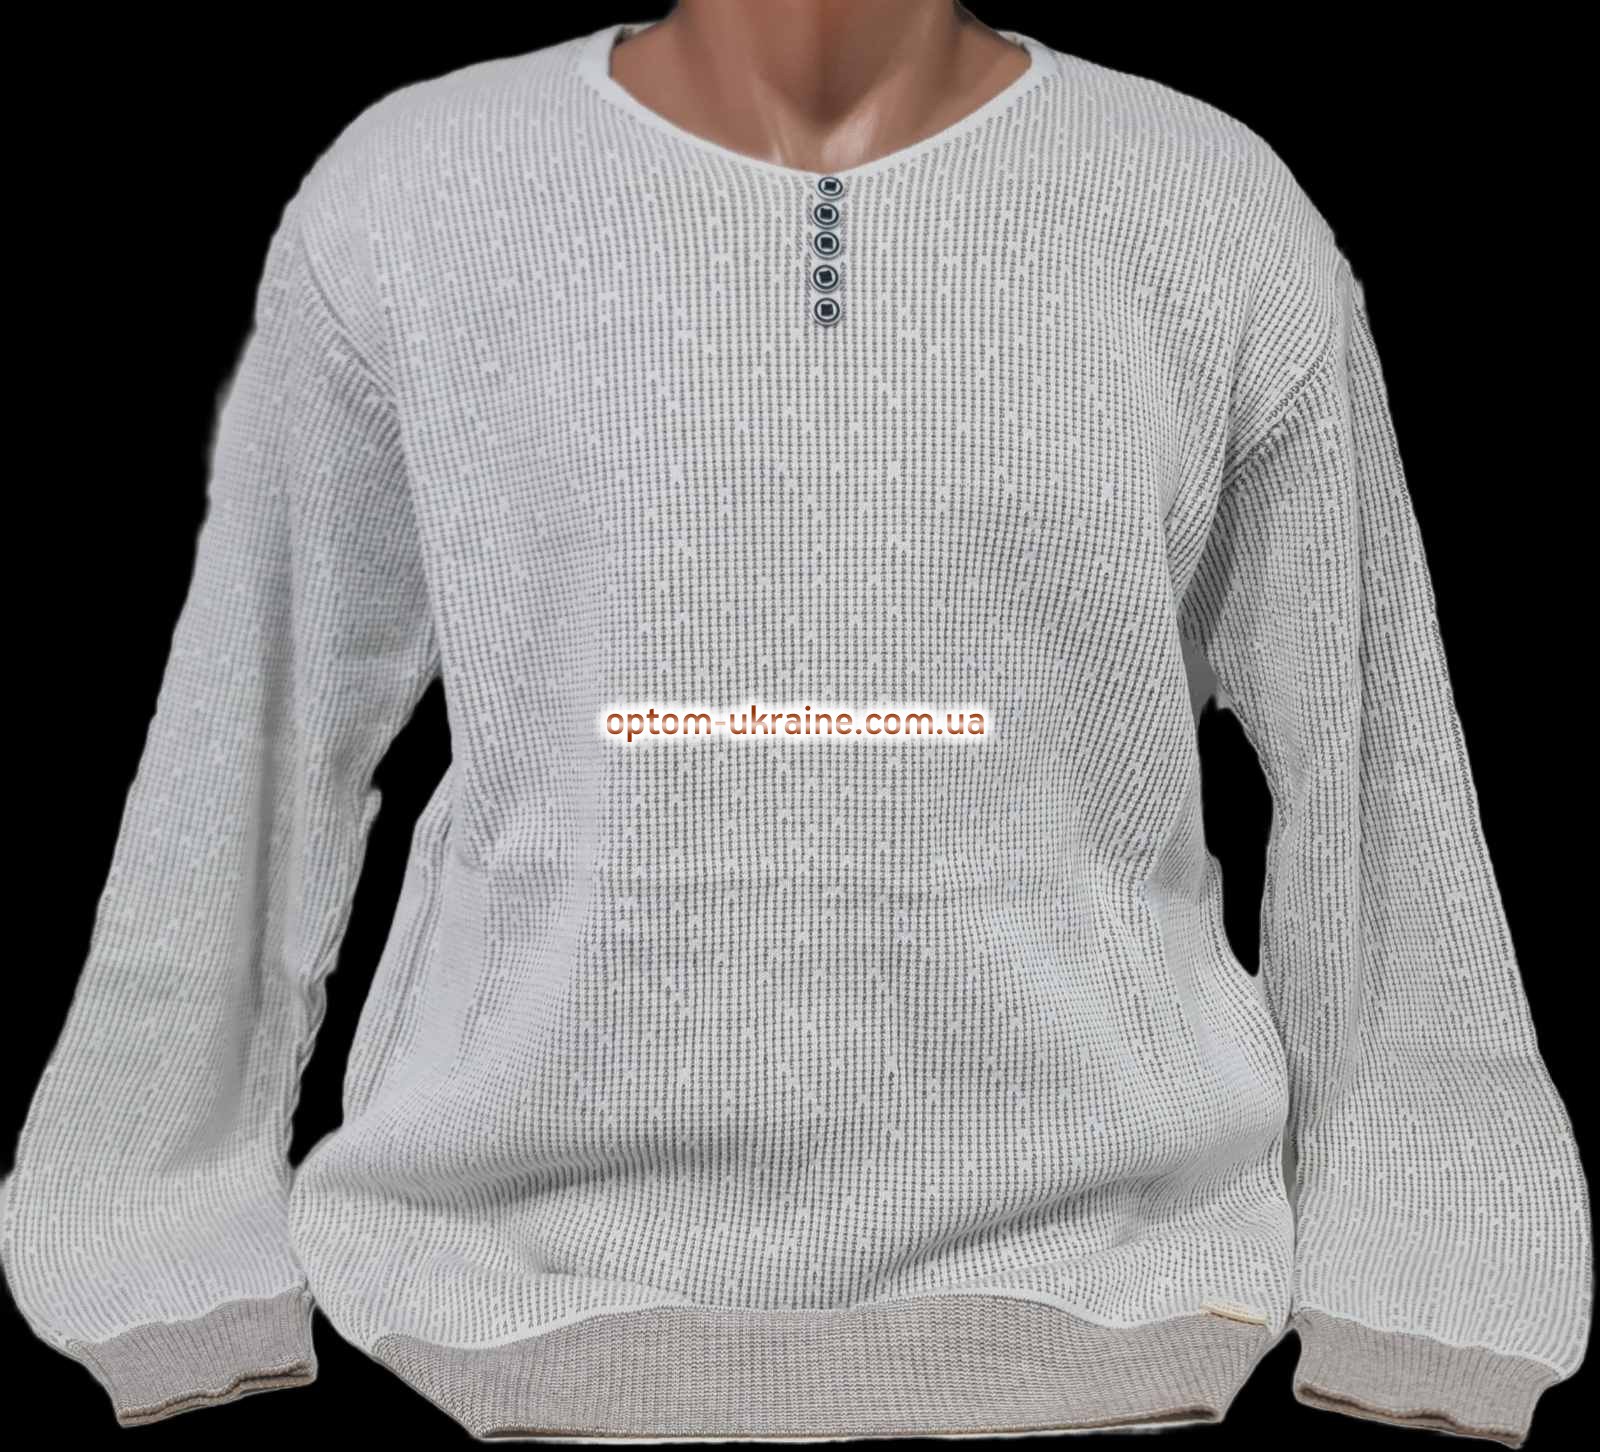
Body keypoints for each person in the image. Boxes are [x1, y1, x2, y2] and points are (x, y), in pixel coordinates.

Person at [1, 1, 1589, 1443]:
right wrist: (158, 1260)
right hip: (479, 1293)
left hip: (1124, 1289)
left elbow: (1374, 781)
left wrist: (1432, 1298)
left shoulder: (1206, 209)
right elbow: (253, 743)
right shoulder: (412, 198)